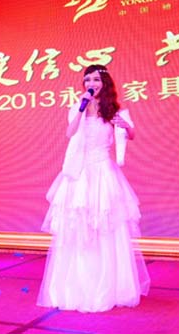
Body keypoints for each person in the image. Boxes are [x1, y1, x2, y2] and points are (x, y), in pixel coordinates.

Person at [37, 64, 150, 312]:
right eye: (87, 80)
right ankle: (77, 287)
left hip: (103, 173)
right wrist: (81, 106)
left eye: (96, 79)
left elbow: (131, 135)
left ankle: (109, 286)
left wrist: (125, 125)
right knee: (79, 228)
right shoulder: (78, 106)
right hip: (78, 175)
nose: (92, 84)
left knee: (105, 227)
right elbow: (70, 132)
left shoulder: (115, 110)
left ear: (104, 83)